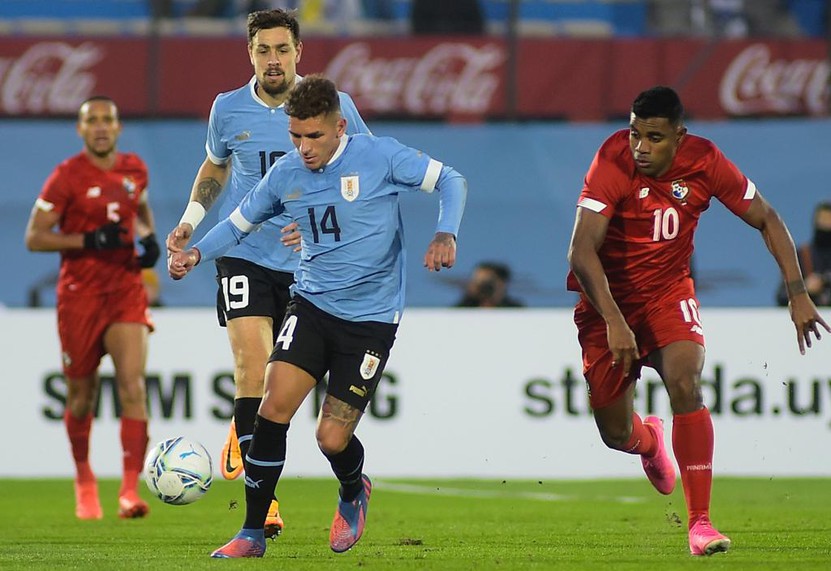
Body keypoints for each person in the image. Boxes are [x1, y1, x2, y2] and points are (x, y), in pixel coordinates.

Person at [168, 75, 467, 558]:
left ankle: (353, 487)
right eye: (295, 136)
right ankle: (251, 532)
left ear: (340, 127)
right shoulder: (286, 173)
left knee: (331, 438)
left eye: (313, 137)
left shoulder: (380, 156)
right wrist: (196, 254)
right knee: (271, 409)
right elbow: (240, 224)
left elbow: (451, 179)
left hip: (370, 319)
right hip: (310, 305)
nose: (303, 148)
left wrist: (445, 233)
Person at [566, 85, 828, 556]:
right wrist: (614, 320)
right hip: (607, 303)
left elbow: (767, 218)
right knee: (616, 434)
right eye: (634, 134)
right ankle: (649, 443)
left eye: (654, 137)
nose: (641, 147)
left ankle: (700, 524)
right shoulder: (610, 160)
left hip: (668, 295)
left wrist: (798, 293)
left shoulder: (706, 161)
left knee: (685, 380)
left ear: (679, 136)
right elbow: (581, 252)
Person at [165, 8, 371, 538]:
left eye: (282, 49)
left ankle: (351, 482)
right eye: (263, 50)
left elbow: (367, 175)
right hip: (246, 254)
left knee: (312, 404)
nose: (273, 60)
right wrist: (190, 222)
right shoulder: (228, 109)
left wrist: (322, 222)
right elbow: (215, 165)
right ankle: (265, 507)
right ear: (249, 53)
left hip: (315, 269)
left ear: (299, 52)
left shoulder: (334, 105)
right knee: (251, 371)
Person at [24, 95, 161, 520]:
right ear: (80, 130)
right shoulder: (66, 178)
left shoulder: (134, 168)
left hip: (124, 288)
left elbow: (138, 207)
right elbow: (35, 237)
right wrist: (87, 241)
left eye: (108, 119)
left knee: (133, 386)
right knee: (81, 395)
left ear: (118, 127)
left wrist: (149, 237)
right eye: (92, 121)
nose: (101, 127)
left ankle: (128, 491)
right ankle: (84, 479)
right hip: (79, 296)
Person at [776, 202, 831, 307]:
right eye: (823, 221)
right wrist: (804, 288)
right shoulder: (802, 255)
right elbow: (782, 295)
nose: (826, 226)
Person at [455, 261, 524, 307]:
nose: (481, 287)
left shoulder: (516, 311)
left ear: (502, 284)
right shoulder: (461, 311)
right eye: (477, 281)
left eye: (486, 282)